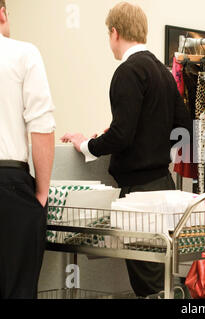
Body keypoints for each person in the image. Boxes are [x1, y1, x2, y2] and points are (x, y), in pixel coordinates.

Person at [62, 2, 191, 298]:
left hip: (139, 195)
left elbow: (121, 135)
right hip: (164, 186)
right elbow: (182, 127)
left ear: (115, 33)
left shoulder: (127, 72)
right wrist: (153, 144)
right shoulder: (163, 72)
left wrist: (86, 144)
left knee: (149, 284)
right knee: (165, 278)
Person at [0, 0, 56, 299]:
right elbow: (42, 127)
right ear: (2, 13)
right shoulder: (22, 54)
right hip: (9, 186)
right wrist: (41, 194)